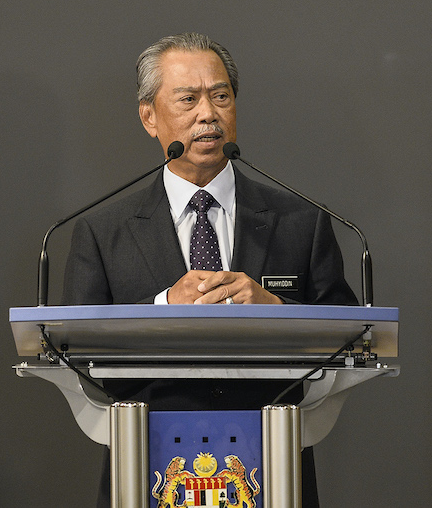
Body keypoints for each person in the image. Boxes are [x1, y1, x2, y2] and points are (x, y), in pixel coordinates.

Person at [61, 32, 358, 506]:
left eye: (221, 96)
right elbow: (73, 352)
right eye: (188, 99)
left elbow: (351, 339)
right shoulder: (102, 231)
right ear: (148, 117)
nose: (208, 114)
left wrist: (277, 309)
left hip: (271, 462)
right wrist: (162, 306)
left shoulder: (301, 222)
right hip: (149, 464)